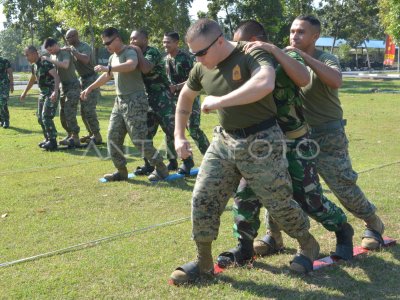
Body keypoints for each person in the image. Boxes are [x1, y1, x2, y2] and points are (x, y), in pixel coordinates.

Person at [169, 19, 319, 285]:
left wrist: (220, 101)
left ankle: (307, 245)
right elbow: (186, 96)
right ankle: (203, 262)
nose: (198, 59)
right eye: (194, 54)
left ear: (219, 41)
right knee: (203, 197)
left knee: (278, 202)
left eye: (201, 52)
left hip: (261, 139)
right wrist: (179, 135)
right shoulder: (202, 66)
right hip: (224, 140)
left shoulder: (250, 52)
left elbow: (265, 82)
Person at [216, 20, 353, 268]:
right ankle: (244, 247)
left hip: (295, 141)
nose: (237, 47)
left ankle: (343, 231)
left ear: (256, 40)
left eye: (241, 42)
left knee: (308, 198)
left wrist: (274, 51)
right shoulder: (243, 62)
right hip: (261, 144)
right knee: (246, 194)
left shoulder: (286, 58)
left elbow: (302, 78)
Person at [271, 15, 384, 251]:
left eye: (301, 32)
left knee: (342, 185)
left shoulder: (326, 58)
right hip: (295, 137)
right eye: (292, 31)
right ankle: (273, 235)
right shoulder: (284, 60)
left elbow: (336, 80)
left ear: (315, 36)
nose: (294, 36)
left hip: (327, 135)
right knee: (283, 184)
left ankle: (373, 223)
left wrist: (304, 57)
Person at [81, 27, 169, 182]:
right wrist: (89, 88)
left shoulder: (130, 52)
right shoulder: (112, 57)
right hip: (119, 101)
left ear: (117, 39)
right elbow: (107, 76)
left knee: (138, 139)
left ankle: (161, 168)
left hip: (135, 100)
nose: (106, 46)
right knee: (112, 137)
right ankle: (121, 171)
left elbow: (131, 65)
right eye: (104, 43)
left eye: (108, 42)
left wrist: (109, 68)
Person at [129, 29, 178, 175]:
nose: (132, 42)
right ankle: (149, 164)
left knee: (170, 130)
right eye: (131, 39)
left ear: (145, 39)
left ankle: (178, 161)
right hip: (146, 99)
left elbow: (145, 68)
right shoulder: (133, 54)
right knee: (145, 133)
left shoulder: (152, 52)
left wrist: (137, 51)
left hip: (162, 96)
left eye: (135, 39)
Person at [163, 31, 210, 175]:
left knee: (193, 128)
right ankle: (175, 161)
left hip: (190, 97)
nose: (165, 45)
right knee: (171, 128)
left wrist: (177, 87)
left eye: (168, 42)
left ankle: (211, 159)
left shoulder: (186, 58)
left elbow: (195, 79)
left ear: (177, 43)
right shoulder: (166, 59)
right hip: (173, 99)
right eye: (163, 42)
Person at [64, 29, 103, 145]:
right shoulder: (72, 48)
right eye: (67, 38)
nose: (68, 40)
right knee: (83, 111)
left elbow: (85, 59)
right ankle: (91, 134)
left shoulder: (84, 46)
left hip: (91, 78)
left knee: (89, 109)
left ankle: (97, 136)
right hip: (83, 79)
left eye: (69, 37)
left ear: (76, 36)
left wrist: (73, 51)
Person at [20, 46, 60, 151]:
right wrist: (24, 92)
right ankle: (47, 139)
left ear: (34, 53)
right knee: (40, 117)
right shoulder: (34, 66)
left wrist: (55, 91)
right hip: (43, 94)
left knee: (46, 116)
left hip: (51, 93)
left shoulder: (45, 63)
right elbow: (33, 79)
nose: (26, 57)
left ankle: (53, 141)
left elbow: (56, 77)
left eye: (27, 55)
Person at [43, 37, 81, 147]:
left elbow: (65, 65)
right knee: (62, 114)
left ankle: (75, 138)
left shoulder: (64, 53)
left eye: (51, 49)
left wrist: (49, 59)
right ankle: (70, 135)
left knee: (70, 111)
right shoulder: (53, 56)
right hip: (63, 87)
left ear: (55, 44)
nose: (50, 52)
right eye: (48, 51)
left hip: (73, 86)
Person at [0, 55, 14, 128]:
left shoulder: (5, 61)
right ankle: (1, 120)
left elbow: (10, 74)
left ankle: (6, 120)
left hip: (4, 85)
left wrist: (11, 85)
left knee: (3, 102)